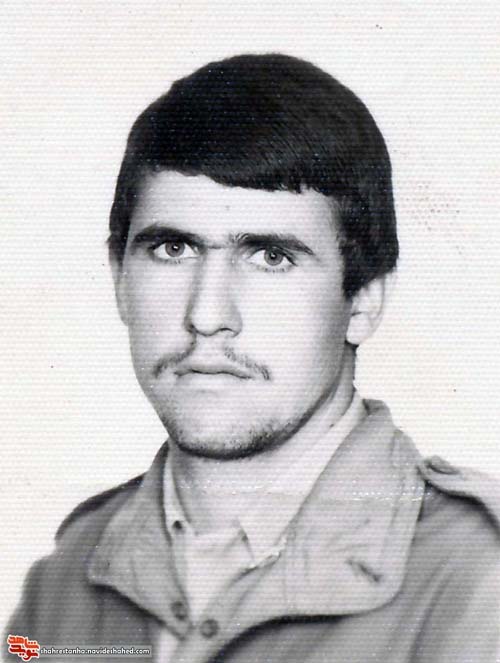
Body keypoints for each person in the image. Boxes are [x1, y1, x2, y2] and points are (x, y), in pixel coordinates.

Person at [6, 53, 499, 663]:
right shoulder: (68, 576)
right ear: (119, 280)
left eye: (271, 257)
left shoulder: (479, 582)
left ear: (364, 301)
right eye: (173, 248)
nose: (207, 314)